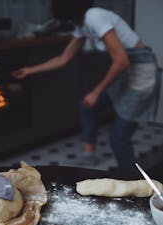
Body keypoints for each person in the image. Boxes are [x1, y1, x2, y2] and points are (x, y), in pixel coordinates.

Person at [12, 0, 160, 177]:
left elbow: (121, 61)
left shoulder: (94, 16)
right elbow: (63, 59)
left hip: (142, 75)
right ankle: (89, 155)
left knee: (119, 138)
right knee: (86, 104)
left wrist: (96, 92)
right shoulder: (82, 24)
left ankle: (134, 185)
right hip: (126, 76)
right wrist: (29, 70)